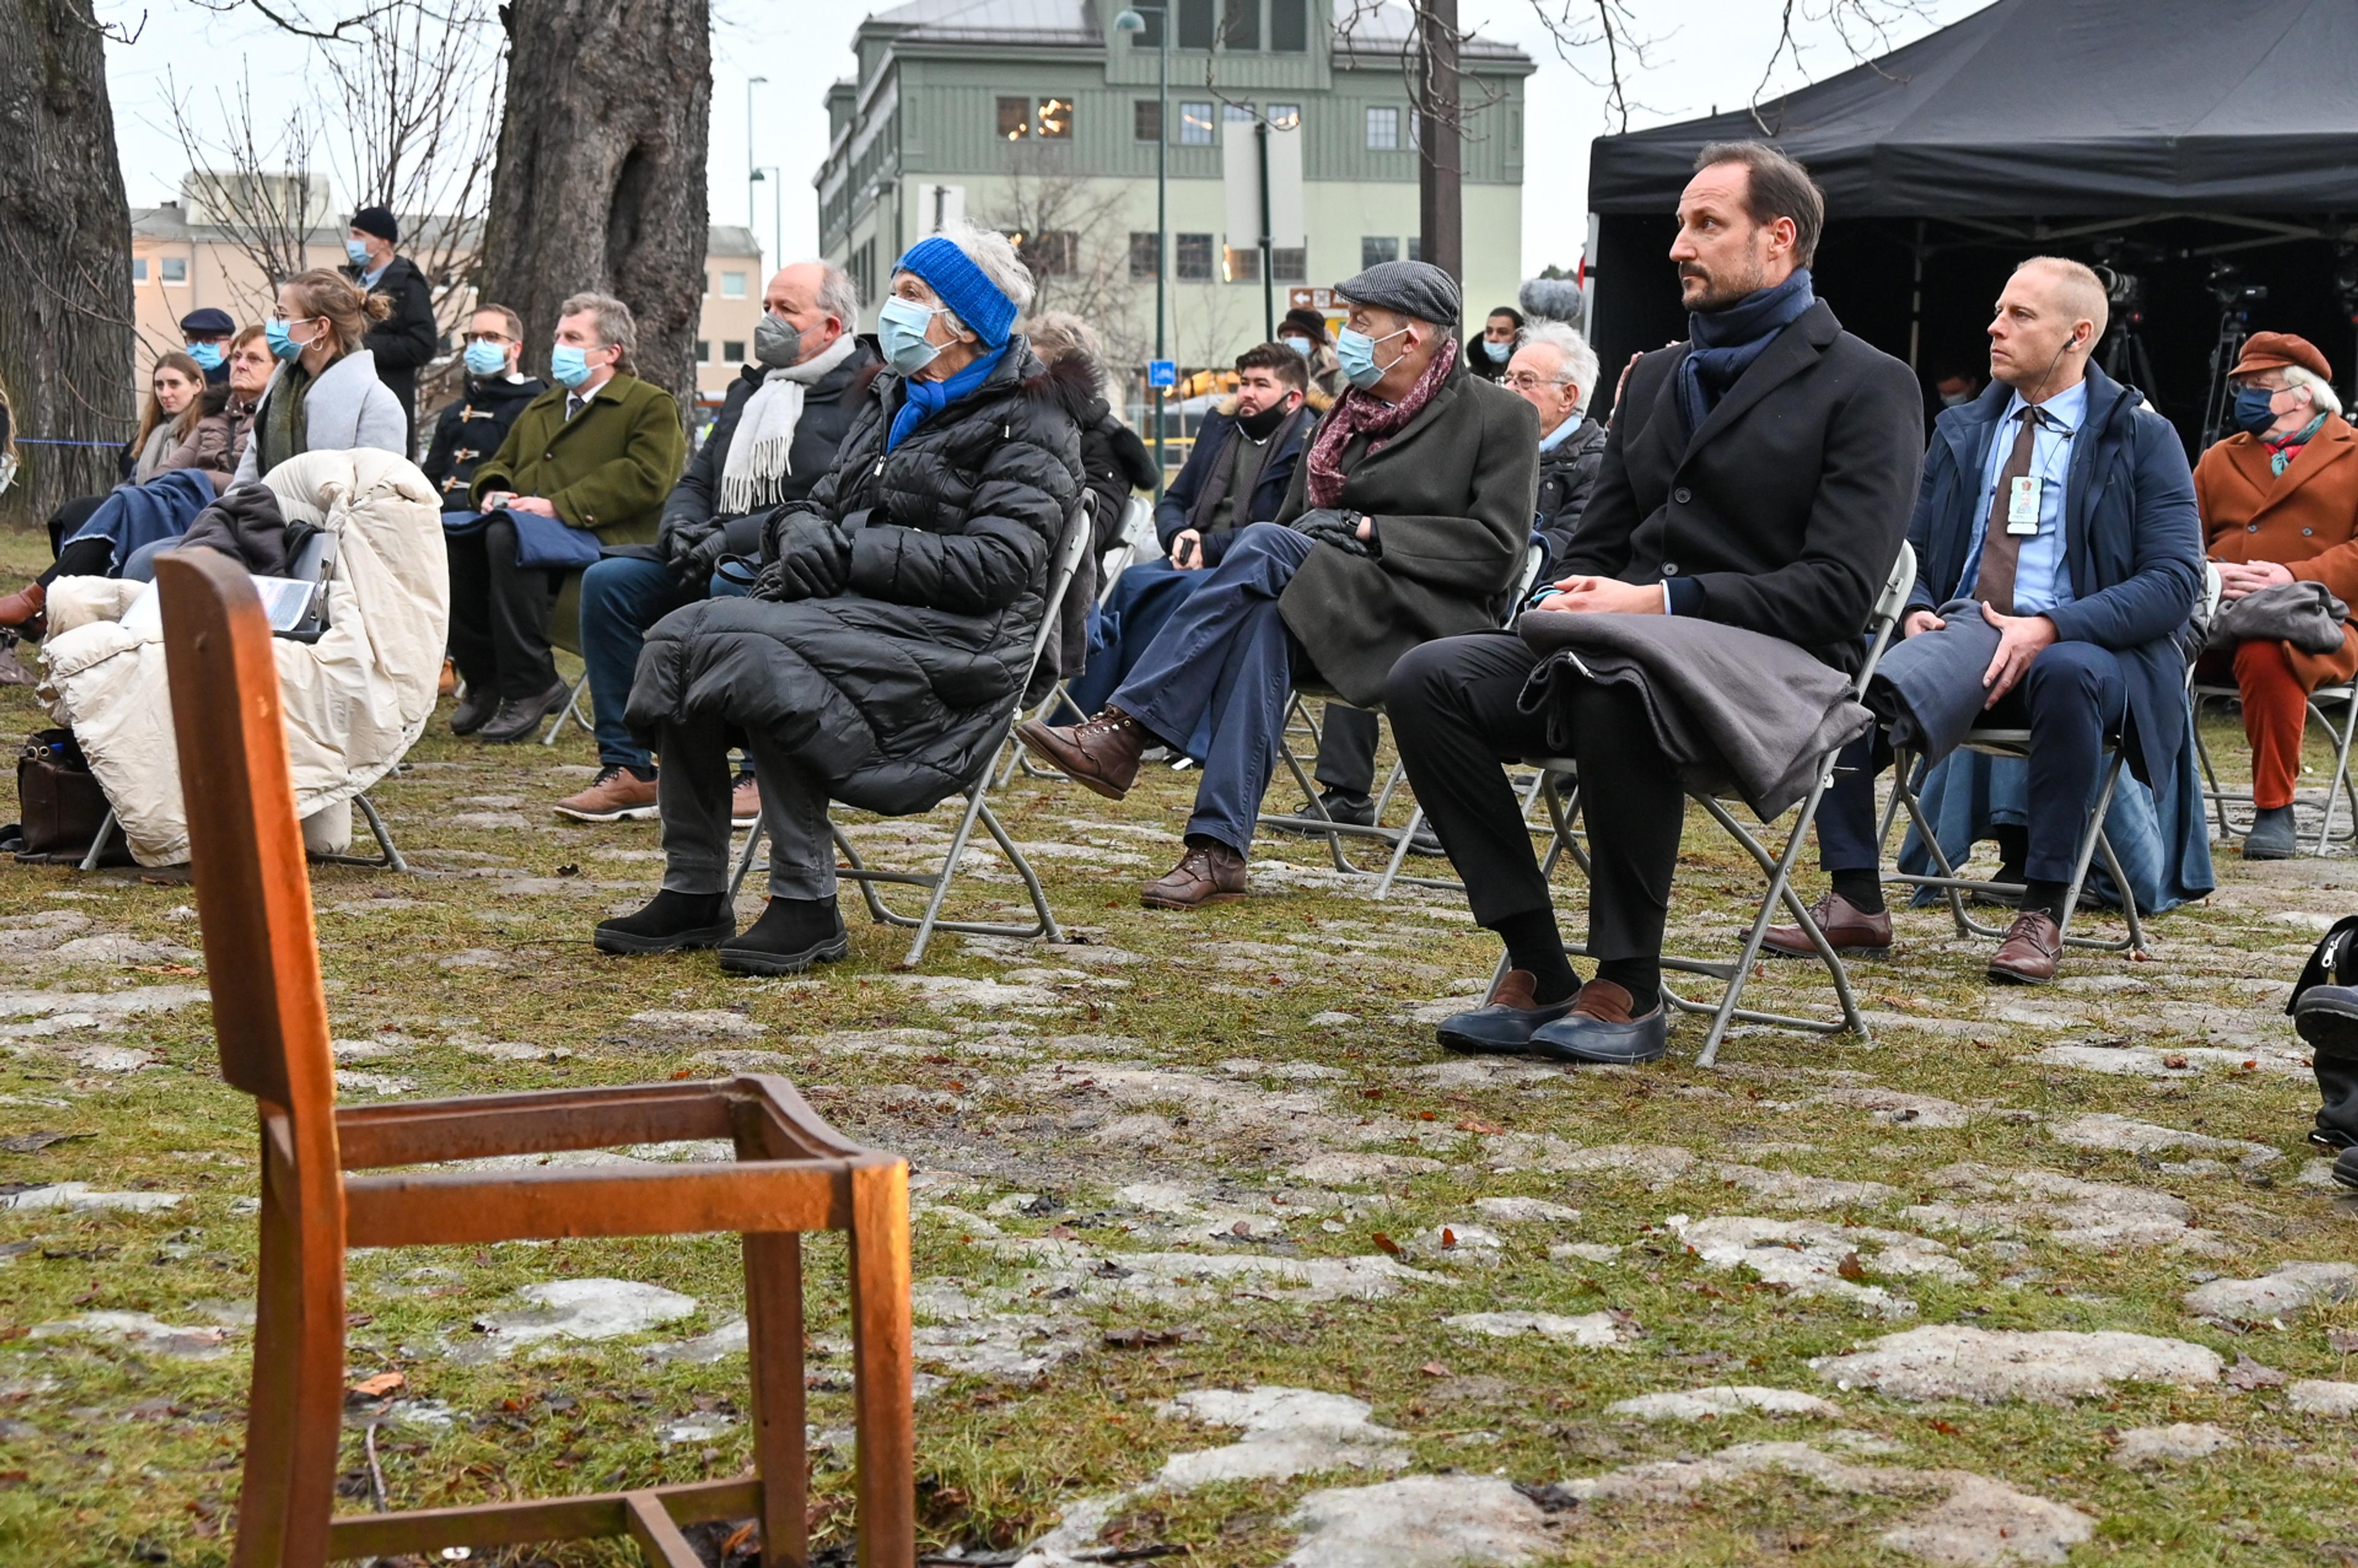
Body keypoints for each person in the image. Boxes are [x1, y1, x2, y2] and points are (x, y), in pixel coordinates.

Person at [1387, 141, 1923, 1065]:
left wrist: (1659, 601)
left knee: (1616, 679)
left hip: (1767, 675)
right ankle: (1539, 962)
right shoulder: (1658, 375)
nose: (1679, 245)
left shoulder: (1870, 383)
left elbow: (1836, 593)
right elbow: (1598, 543)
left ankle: (1629, 985)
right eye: (1680, 223)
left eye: (1707, 223)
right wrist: (1565, 594)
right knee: (1427, 678)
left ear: (1779, 238)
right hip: (1615, 648)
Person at [600, 223, 1082, 974]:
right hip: (858, 618)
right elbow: (820, 505)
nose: (892, 310)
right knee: (681, 634)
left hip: (958, 649)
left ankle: (807, 902)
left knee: (762, 654)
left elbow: (1000, 565)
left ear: (965, 322)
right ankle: (693, 887)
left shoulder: (1032, 418)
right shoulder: (895, 396)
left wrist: (854, 551)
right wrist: (797, 532)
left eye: (912, 294)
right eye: (894, 292)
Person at [1014, 258, 1539, 909]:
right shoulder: (1344, 417)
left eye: (1361, 322)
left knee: (1264, 545)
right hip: (1331, 603)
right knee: (1265, 621)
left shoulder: (1499, 415)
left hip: (1424, 622)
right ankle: (1218, 850)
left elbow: (1498, 553)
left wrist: (1372, 529)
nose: (1347, 336)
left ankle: (1127, 728)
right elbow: (1297, 525)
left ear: (1410, 336)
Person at [1764, 256, 2203, 985]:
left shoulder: (2139, 435)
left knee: (2065, 671)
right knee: (1842, 671)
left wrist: (2053, 625)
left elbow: (2174, 583)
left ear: (2079, 335)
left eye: (2020, 315)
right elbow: (1906, 550)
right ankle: (1856, 899)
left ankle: (2043, 909)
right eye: (1999, 310)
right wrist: (1915, 610)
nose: (1995, 327)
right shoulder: (1962, 429)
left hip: (2086, 656)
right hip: (1956, 646)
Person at [551, 262, 877, 822]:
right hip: (715, 548)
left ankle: (762, 770)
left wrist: (728, 536)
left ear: (830, 326)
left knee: (736, 587)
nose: (769, 320)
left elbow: (832, 502)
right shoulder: (750, 388)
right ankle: (632, 767)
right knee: (609, 584)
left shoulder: (867, 393)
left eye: (786, 310)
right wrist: (681, 528)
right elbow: (699, 478)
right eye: (767, 307)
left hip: (796, 561)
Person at [452, 292, 687, 745]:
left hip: (605, 541)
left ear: (611, 352)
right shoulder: (544, 406)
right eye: (559, 336)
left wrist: (559, 506)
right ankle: (486, 677)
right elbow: (499, 463)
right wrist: (493, 488)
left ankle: (531, 685)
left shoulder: (649, 405)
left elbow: (648, 477)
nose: (558, 345)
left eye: (573, 338)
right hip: (532, 534)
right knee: (457, 541)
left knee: (507, 537)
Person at [1067, 341, 1320, 719]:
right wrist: (1178, 536)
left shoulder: (1308, 445)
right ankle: (1083, 715)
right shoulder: (1221, 429)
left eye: (1261, 385)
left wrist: (1210, 547)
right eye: (1244, 383)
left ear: (1293, 398)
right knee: (1129, 583)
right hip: (1193, 554)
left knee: (1179, 594)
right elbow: (1174, 499)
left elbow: (1287, 530)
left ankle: (1142, 719)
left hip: (1252, 570)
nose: (1247, 393)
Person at [2194, 332, 2357, 858]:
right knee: (2143, 647)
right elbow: (2176, 542)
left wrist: (2292, 575)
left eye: (2259, 386)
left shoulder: (2354, 454)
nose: (2246, 398)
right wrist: (2214, 575)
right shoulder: (2219, 459)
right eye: (2241, 387)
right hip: (2218, 617)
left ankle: (2274, 808)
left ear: (2302, 393)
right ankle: (2151, 804)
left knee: (2268, 644)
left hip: (2322, 622)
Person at [232, 269, 408, 485]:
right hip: (264, 506)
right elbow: (245, 481)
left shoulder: (378, 405)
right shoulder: (279, 389)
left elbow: (376, 496)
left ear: (321, 327)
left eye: (283, 316)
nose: (274, 324)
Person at [421, 304, 547, 510]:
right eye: (473, 338)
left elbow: (526, 483)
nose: (480, 345)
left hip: (491, 517)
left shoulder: (535, 407)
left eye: (492, 337)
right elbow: (428, 481)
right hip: (439, 517)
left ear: (516, 349)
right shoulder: (454, 412)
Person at [1505, 320, 1606, 574]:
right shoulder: (1499, 447)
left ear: (1568, 397)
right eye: (1507, 379)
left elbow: (1566, 547)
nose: (1507, 389)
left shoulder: (1599, 465)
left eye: (1525, 381)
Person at [341, 204, 440, 449]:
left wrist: (363, 346)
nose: (351, 241)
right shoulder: (348, 283)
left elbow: (423, 344)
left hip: (387, 396)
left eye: (359, 235)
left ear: (383, 242)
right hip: (347, 396)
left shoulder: (408, 285)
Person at [165, 325, 271, 492]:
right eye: (236, 357)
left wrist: (202, 479)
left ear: (278, 369)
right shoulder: (213, 416)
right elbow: (171, 468)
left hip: (241, 506)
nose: (240, 365)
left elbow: (268, 486)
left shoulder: (278, 418)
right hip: (197, 501)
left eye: (254, 359)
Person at [126, 352, 208, 483]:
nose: (165, 393)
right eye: (159, 385)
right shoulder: (154, 430)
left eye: (174, 384)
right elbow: (133, 481)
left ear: (197, 386)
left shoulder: (210, 430)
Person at [1280, 306, 1344, 397]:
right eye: (1288, 336)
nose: (1293, 340)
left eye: (1301, 336)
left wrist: (1318, 398)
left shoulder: (1337, 373)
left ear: (1317, 342)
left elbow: (1345, 405)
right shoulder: (1276, 370)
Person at [180, 307, 238, 387]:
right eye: (193, 339)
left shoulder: (238, 380)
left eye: (210, 340)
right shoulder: (177, 379)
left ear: (230, 344)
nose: (199, 348)